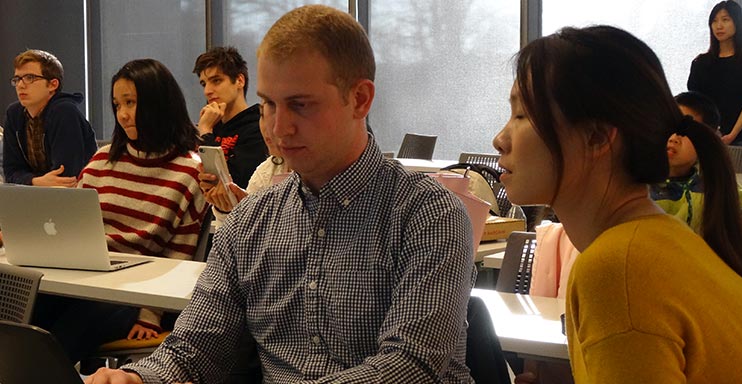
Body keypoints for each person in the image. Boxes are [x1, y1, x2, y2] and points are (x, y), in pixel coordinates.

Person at [87, 5, 475, 384]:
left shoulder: (427, 214)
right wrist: (137, 377)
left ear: (359, 99)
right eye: (269, 104)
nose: (279, 127)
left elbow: (409, 366)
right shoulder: (250, 220)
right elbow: (194, 348)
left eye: (300, 105)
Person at [494, 25, 742, 382]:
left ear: (596, 137)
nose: (500, 139)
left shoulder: (616, 269)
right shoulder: (659, 240)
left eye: (522, 115)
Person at [34, 58, 207, 365]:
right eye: (117, 104)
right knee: (23, 306)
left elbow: (180, 253)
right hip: (80, 276)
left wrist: (150, 314)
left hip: (132, 293)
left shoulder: (188, 173)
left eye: (131, 102)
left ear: (159, 104)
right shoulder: (102, 161)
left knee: (59, 339)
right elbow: (66, 224)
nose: (123, 114)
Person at [652, 91, 742, 233]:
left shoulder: (713, 182)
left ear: (706, 139)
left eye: (686, 130)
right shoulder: (642, 185)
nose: (673, 137)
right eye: (669, 126)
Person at [3, 49, 97, 186]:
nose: (20, 85)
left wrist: (30, 182)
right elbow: (10, 172)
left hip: (75, 197)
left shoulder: (64, 112)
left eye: (30, 78)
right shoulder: (14, 114)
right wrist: (36, 181)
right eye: (17, 79)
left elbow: (65, 178)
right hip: (33, 196)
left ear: (53, 85)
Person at [687, 0, 742, 146]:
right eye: (714, 21)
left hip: (738, 138)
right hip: (704, 136)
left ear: (737, 23)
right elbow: (694, 101)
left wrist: (732, 135)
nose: (719, 26)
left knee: (735, 170)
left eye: (725, 19)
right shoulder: (700, 63)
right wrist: (709, 131)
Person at [193, 46, 268, 188]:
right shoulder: (212, 125)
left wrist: (206, 132)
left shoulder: (258, 126)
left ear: (240, 80)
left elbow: (234, 184)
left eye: (216, 81)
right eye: (204, 83)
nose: (207, 91)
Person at [200, 111, 291, 221]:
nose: (266, 127)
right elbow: (241, 232)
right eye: (262, 115)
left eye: (275, 116)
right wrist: (230, 208)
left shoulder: (251, 134)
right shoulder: (268, 168)